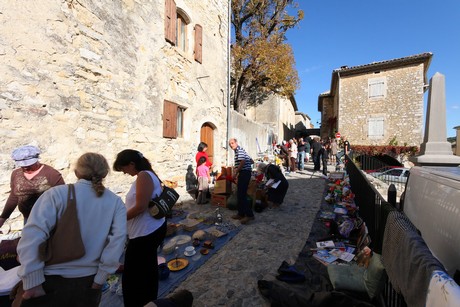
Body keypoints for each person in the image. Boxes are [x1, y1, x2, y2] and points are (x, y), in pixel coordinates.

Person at [16, 152, 127, 306]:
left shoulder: (56, 195)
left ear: (77, 172)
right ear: (105, 173)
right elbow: (117, 242)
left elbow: (32, 236)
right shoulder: (116, 202)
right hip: (88, 283)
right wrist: (99, 280)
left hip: (49, 281)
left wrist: (33, 283)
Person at [113, 149, 167, 306]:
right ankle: (150, 300)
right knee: (147, 268)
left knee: (134, 275)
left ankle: (140, 302)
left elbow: (140, 207)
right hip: (149, 229)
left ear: (131, 164)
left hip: (145, 233)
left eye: (124, 169)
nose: (124, 173)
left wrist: (118, 219)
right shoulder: (147, 174)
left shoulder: (143, 175)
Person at [0, 145, 65, 229]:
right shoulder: (16, 174)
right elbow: (14, 196)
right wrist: (3, 217)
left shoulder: (51, 174)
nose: (26, 167)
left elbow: (63, 197)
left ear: (37, 160)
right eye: (22, 166)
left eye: (29, 165)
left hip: (49, 218)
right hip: (28, 219)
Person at [228, 138, 255, 225]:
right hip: (244, 173)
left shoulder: (239, 150)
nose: (231, 145)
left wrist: (236, 173)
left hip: (244, 173)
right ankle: (241, 213)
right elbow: (251, 161)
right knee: (240, 194)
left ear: (236, 143)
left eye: (232, 143)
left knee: (242, 195)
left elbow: (242, 161)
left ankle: (249, 215)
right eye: (230, 144)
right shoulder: (240, 151)